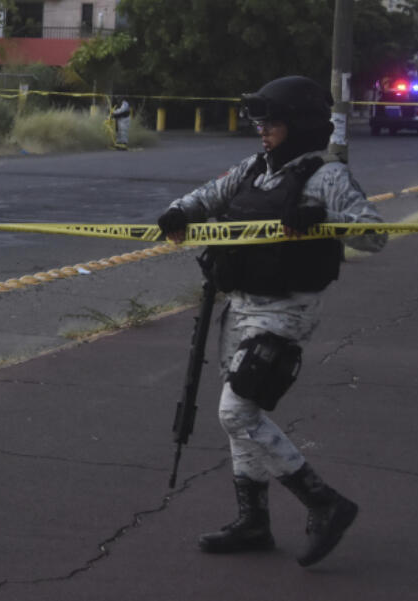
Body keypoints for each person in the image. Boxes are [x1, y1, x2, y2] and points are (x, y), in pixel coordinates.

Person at [156, 75, 386, 567]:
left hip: (287, 311)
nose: (262, 130)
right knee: (243, 419)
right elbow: (208, 196)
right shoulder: (255, 168)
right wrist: (177, 211)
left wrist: (323, 222)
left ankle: (324, 503)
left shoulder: (327, 177)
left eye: (273, 122)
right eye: (259, 122)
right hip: (238, 305)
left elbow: (375, 236)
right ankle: (253, 521)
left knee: (237, 412)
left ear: (299, 126)